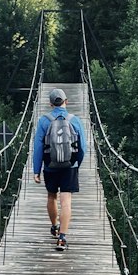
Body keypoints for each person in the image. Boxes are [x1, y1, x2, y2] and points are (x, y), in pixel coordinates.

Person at [32, 88, 87, 252]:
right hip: (69, 165)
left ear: (50, 104)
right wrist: (76, 163)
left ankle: (54, 226)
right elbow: (83, 147)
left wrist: (37, 170)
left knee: (51, 196)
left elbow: (38, 147)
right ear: (66, 101)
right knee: (66, 201)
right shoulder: (75, 120)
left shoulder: (44, 120)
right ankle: (62, 238)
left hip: (50, 165)